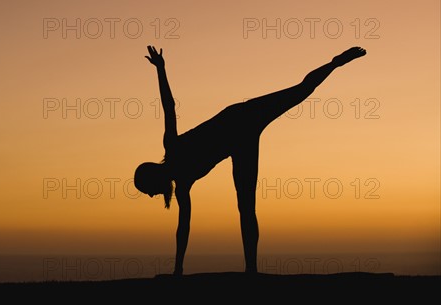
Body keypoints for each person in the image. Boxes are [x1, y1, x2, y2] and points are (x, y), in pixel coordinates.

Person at [134, 45, 367, 275]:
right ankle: (251, 270)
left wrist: (160, 69)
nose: (153, 195)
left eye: (148, 190)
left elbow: (169, 106)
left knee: (301, 91)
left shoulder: (172, 148)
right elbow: (183, 228)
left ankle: (336, 62)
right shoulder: (182, 185)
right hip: (241, 144)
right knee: (246, 206)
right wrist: (177, 271)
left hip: (241, 117)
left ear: (152, 175)